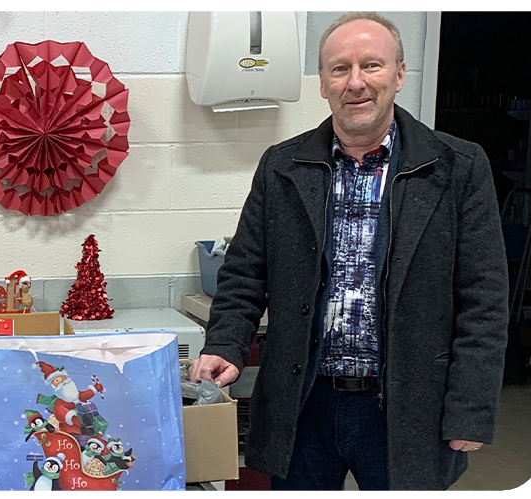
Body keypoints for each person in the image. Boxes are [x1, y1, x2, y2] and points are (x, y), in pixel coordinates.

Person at [189, 12, 508, 491]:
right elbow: (243, 274)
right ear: (322, 83)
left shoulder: (458, 167)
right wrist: (225, 344)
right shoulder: (282, 166)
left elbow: (484, 299)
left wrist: (471, 408)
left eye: (372, 66)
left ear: (399, 74)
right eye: (340, 69)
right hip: (304, 401)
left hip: (406, 405)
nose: (355, 82)